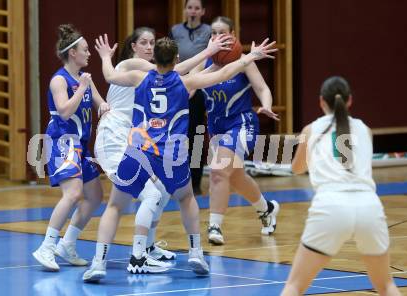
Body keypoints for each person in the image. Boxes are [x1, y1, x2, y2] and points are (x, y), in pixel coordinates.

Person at [92, 34, 276, 277]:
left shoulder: (139, 77)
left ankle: (99, 262)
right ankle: (195, 253)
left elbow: (109, 76)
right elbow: (222, 74)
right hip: (171, 153)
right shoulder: (185, 82)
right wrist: (250, 56)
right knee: (187, 198)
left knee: (115, 205)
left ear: (153, 59)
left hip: (139, 150)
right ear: (176, 59)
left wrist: (106, 57)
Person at [281, 76, 401, 296]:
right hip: (369, 206)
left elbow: (296, 169)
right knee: (386, 286)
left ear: (321, 102)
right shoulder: (364, 129)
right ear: (350, 101)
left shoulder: (311, 129)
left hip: (331, 204)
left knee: (294, 287)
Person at [192, 16, 280, 245]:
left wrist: (267, 105)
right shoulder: (204, 63)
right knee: (235, 177)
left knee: (219, 171)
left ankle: (214, 226)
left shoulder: (244, 61)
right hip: (216, 127)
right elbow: (187, 90)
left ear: (233, 34)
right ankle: (267, 208)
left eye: (222, 33)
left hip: (241, 123)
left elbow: (262, 88)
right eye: (213, 33)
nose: (216, 38)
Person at [32, 24, 109, 271]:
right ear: (72, 53)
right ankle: (47, 247)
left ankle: (68, 243)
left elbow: (102, 104)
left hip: (81, 147)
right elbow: (64, 111)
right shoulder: (59, 80)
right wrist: (83, 88)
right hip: (62, 142)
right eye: (85, 50)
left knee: (95, 195)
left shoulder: (85, 79)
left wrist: (109, 110)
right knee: (73, 193)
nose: (89, 54)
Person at [170, 0, 211, 195]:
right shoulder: (175, 30)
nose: (193, 11)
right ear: (185, 10)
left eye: (197, 8)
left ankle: (195, 182)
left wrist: (196, 82)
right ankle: (176, 179)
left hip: (199, 88)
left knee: (196, 135)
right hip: (178, 87)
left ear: (202, 11)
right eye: (190, 7)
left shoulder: (209, 31)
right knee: (177, 134)